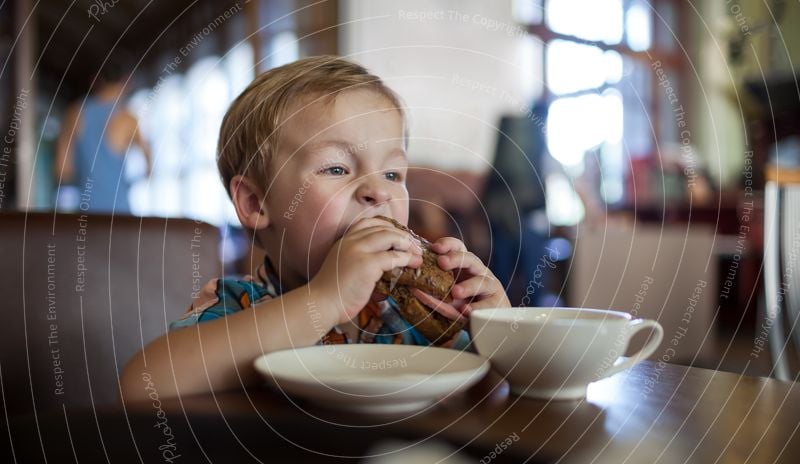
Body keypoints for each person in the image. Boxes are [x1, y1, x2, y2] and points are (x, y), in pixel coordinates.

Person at [120, 56, 510, 401]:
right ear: (256, 203)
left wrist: (497, 333)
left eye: (392, 172)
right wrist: (325, 299)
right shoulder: (239, 306)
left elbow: (485, 392)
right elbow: (141, 385)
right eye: (337, 168)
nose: (377, 190)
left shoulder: (410, 316)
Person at [483, 104, 603, 306]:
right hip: (530, 220)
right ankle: (534, 318)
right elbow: (568, 178)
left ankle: (498, 317)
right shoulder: (537, 148)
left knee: (502, 274)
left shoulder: (511, 143)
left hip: (498, 217)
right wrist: (591, 209)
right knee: (534, 277)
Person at [54, 59, 150, 213]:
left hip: (86, 213)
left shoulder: (75, 113)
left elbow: (62, 170)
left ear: (96, 80)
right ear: (127, 82)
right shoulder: (128, 119)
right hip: (120, 212)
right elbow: (149, 166)